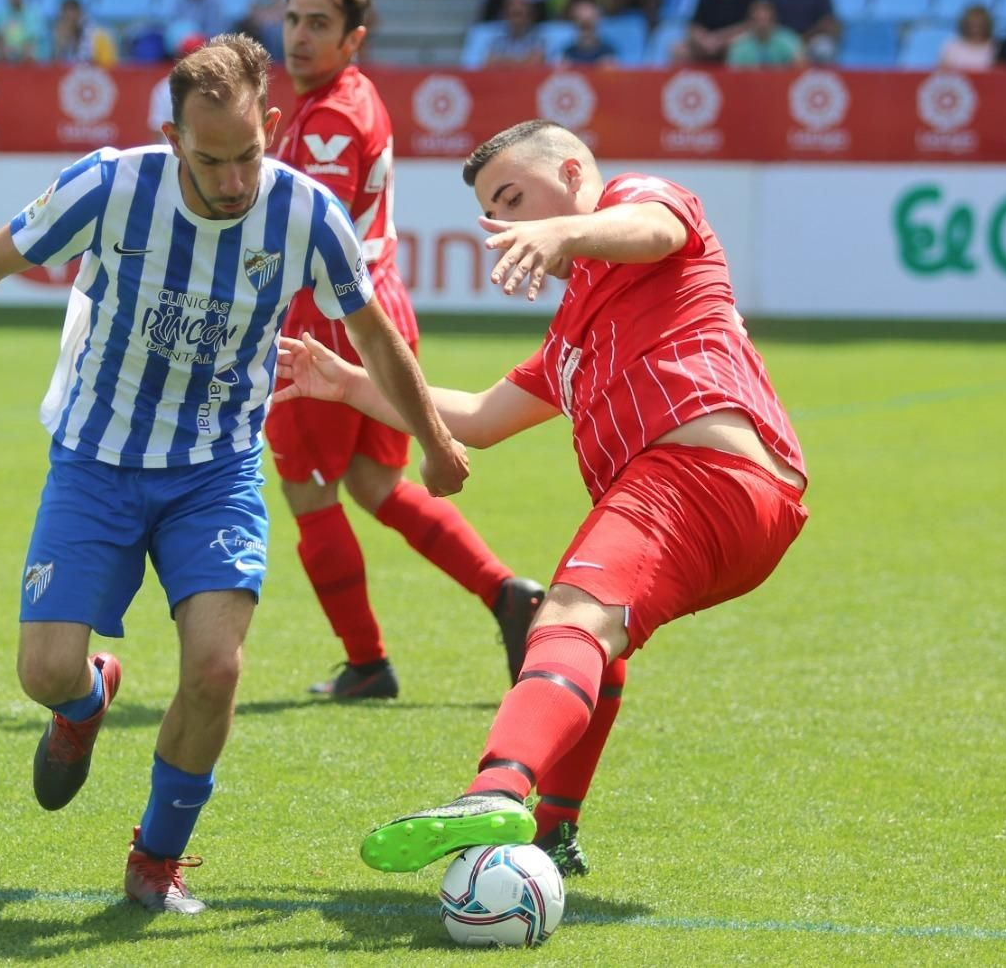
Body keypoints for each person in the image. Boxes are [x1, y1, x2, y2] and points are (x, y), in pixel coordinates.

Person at [0, 34, 468, 914]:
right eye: (211, 160)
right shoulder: (110, 185)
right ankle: (86, 700)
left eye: (249, 153)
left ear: (271, 127)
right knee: (43, 672)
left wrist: (434, 440)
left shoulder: (306, 213)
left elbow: (374, 335)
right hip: (96, 460)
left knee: (217, 669)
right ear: (173, 139)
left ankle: (155, 859)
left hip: (216, 469)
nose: (235, 180)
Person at [274, 119, 808, 876]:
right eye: (494, 213)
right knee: (598, 647)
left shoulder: (641, 199)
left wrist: (564, 231)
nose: (507, 225)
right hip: (738, 512)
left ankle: (495, 788)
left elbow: (652, 230)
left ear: (571, 170)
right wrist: (352, 385)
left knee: (566, 614)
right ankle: (553, 830)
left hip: (702, 476)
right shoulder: (569, 340)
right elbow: (481, 420)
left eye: (515, 197)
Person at [270, 0, 544, 697]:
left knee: (310, 489)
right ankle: (506, 595)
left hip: (328, 317)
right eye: (293, 18)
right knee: (373, 480)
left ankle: (367, 664)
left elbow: (313, 234)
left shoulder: (328, 116)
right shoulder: (343, 96)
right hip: (376, 308)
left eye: (318, 24)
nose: (299, 35)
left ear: (353, 38)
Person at [725, 0, 804, 68]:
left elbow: (801, 66)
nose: (762, 25)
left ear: (774, 19)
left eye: (766, 19)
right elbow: (731, 73)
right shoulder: (739, 45)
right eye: (757, 20)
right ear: (749, 21)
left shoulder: (789, 39)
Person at [485, 0, 547, 67]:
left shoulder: (538, 41)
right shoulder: (497, 42)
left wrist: (503, 62)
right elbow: (489, 65)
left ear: (531, 15)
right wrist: (521, 62)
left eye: (519, 14)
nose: (516, 7)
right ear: (505, 16)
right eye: (513, 14)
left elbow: (535, 65)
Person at [558, 0, 618, 67]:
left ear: (598, 19)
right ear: (573, 20)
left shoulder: (609, 53)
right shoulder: (566, 54)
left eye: (589, 25)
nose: (586, 32)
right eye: (583, 26)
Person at [939, 4, 996, 71]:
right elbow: (943, 71)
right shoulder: (952, 46)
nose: (976, 27)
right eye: (973, 23)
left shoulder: (994, 46)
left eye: (980, 23)